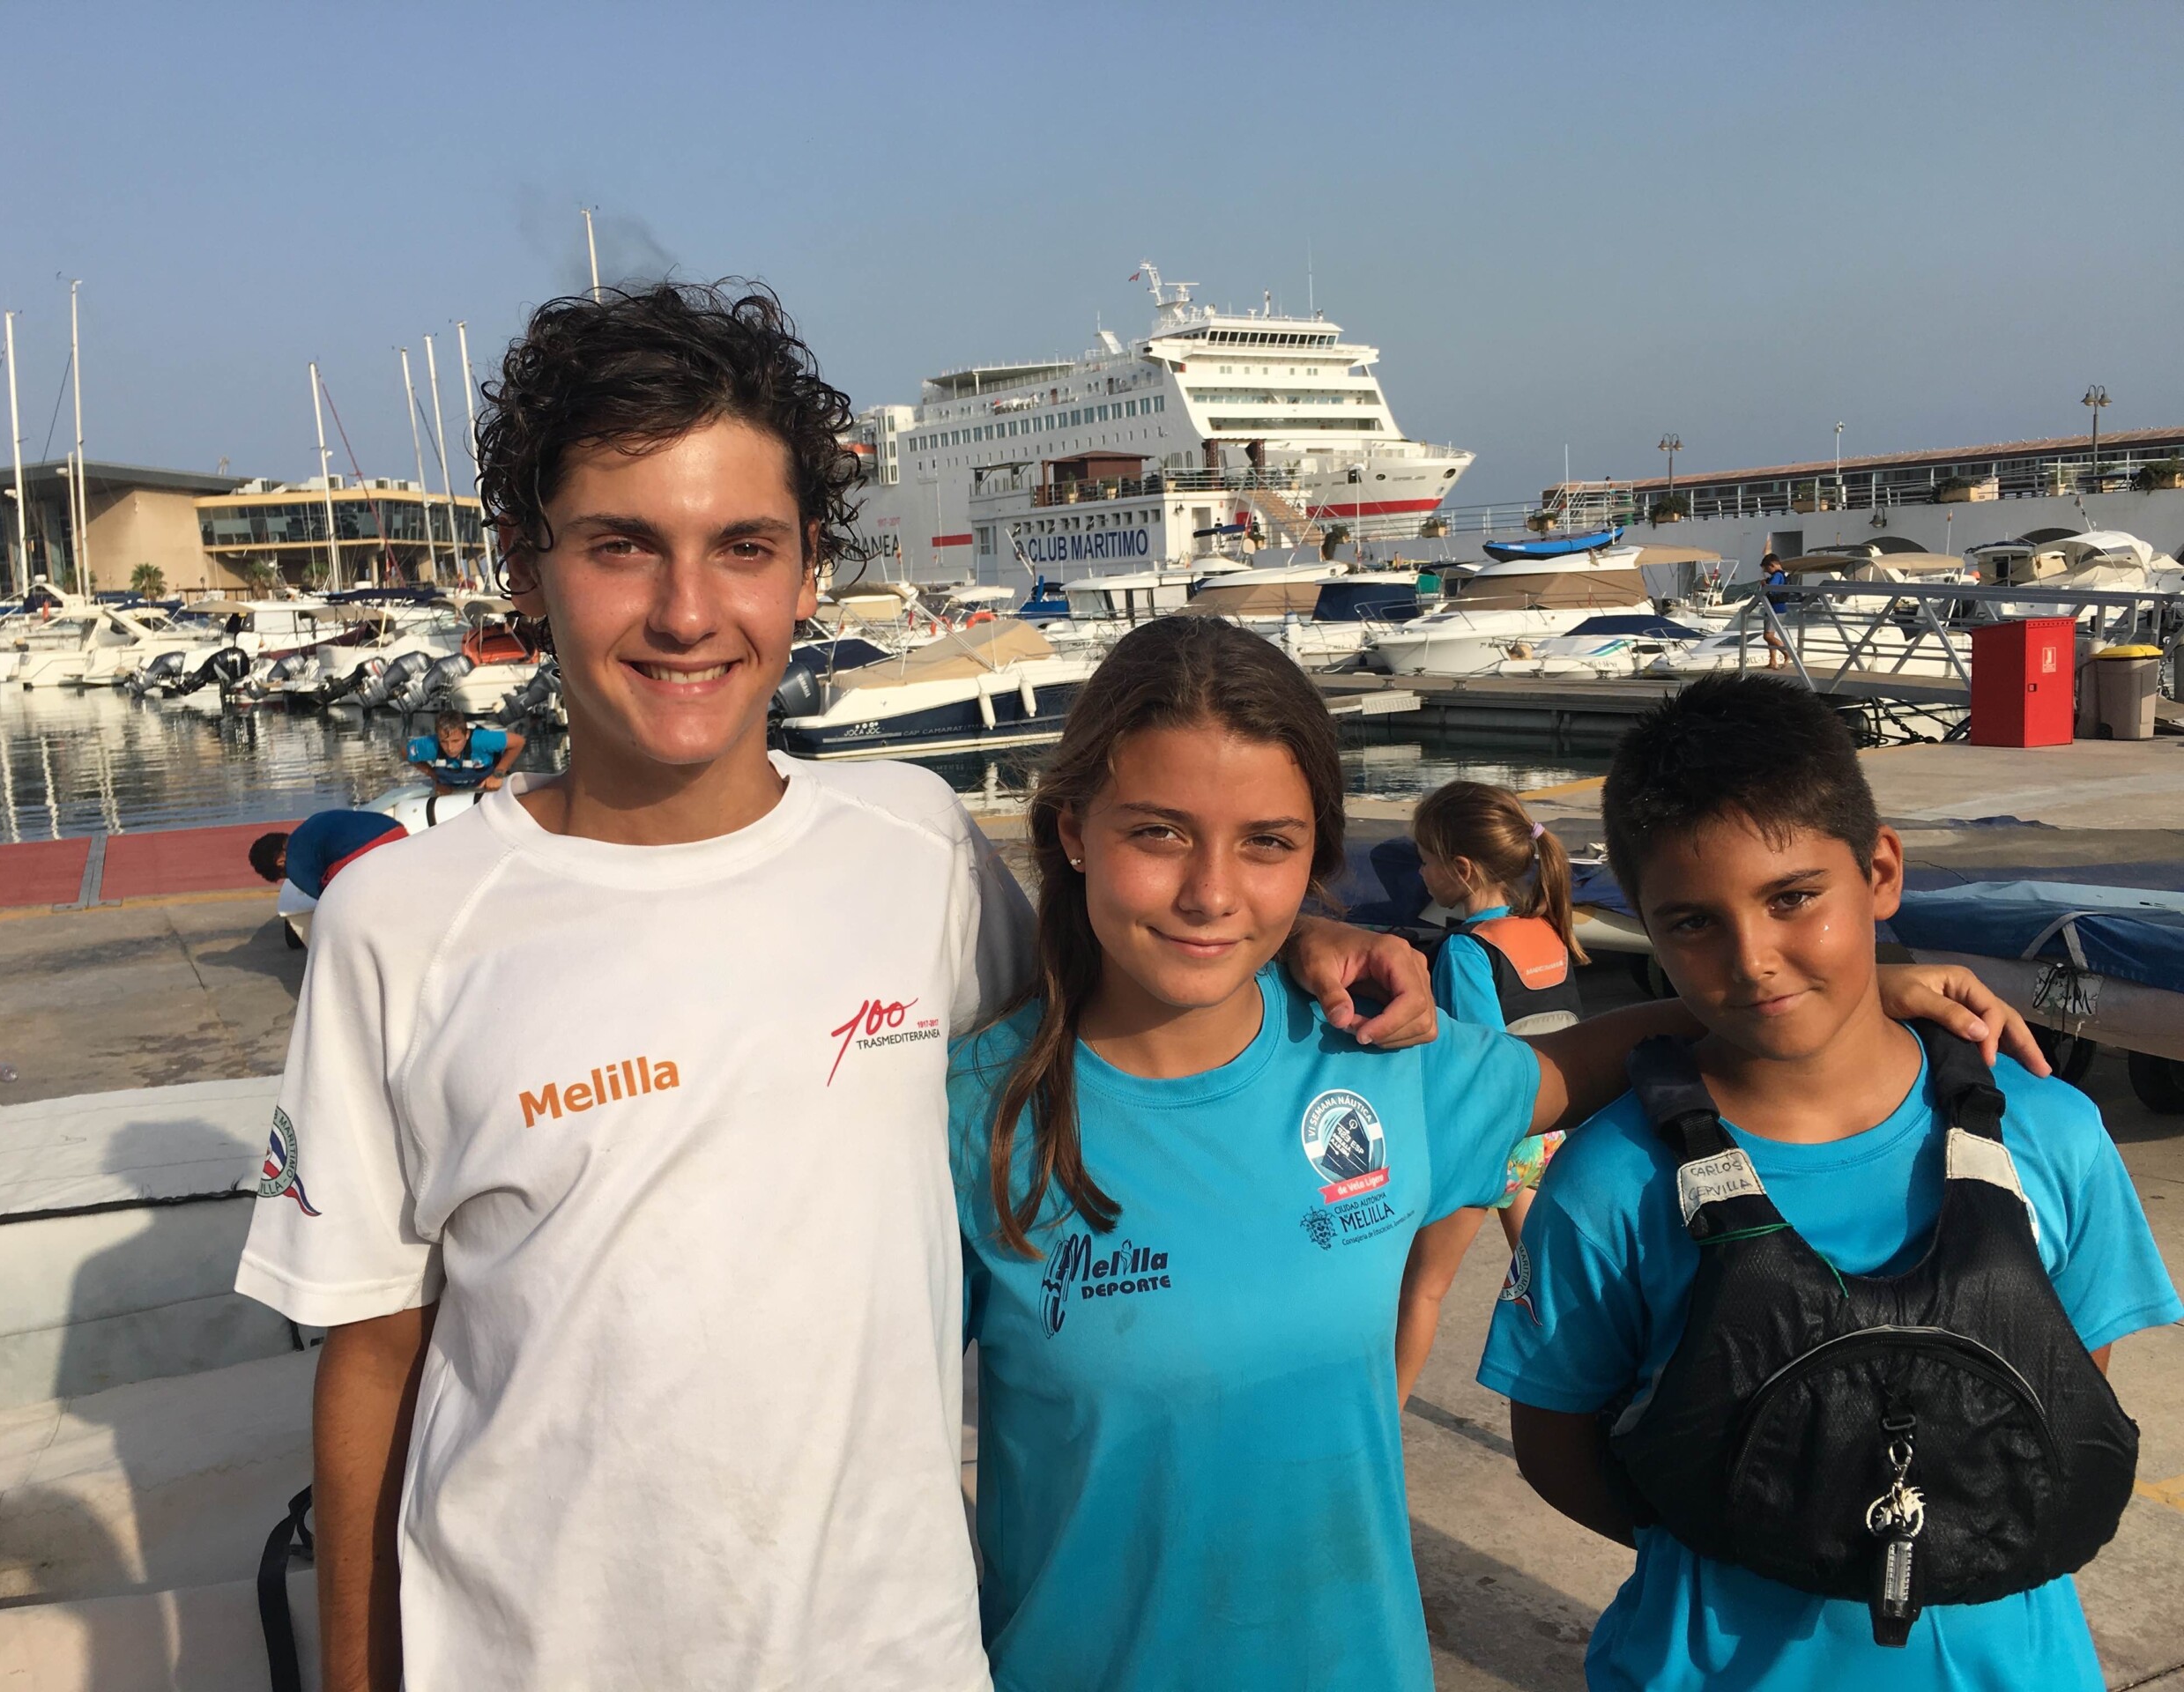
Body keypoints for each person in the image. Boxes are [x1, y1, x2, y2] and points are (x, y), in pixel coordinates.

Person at [232, 280, 1433, 1692]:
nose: (688, 613)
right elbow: (374, 1353)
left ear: (808, 571)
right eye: (622, 545)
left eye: (744, 547)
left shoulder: (912, 848)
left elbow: (1105, 997)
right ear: (526, 567)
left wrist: (1294, 942)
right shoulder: (401, 922)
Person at [946, 618, 2037, 1692]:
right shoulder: (966, 1121)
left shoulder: (1379, 1062)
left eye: (1267, 842)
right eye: (1158, 833)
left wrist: (1844, 997)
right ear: (1072, 829)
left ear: (1315, 856)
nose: (1212, 893)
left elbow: (1574, 1063)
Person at [1478, 672, 2177, 1692]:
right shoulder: (1611, 1182)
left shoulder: (2053, 1136)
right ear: (1644, 925)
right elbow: (1553, 1444)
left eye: (1792, 898)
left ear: (1879, 871)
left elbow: (2062, 1386)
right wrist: (1742, 1539)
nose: (1753, 959)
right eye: (1693, 922)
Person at [1393, 781, 1588, 1399]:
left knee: (1422, 1290)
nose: (1420, 873)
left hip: (1492, 1142)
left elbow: (1478, 1060)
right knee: (1541, 1277)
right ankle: (1582, 1389)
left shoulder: (1466, 949)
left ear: (1461, 869)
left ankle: (1381, 1419)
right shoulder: (1547, 928)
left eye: (1426, 860)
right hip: (1546, 1134)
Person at [249, 809, 406, 900]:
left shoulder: (293, 861)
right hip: (397, 832)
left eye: (285, 875)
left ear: (280, 862)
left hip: (362, 850)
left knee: (332, 894)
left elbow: (326, 900)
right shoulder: (311, 824)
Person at [405, 709, 523, 793]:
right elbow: (406, 752)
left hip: (488, 785)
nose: (450, 748)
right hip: (453, 789)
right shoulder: (430, 745)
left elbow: (519, 742)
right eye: (444, 742)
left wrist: (498, 775)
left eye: (456, 741)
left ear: (467, 735)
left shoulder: (482, 740)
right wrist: (436, 778)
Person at [1758, 552, 1790, 666]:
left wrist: (1764, 584)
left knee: (1767, 636)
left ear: (1772, 565)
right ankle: (1773, 661)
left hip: (1775, 609)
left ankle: (1787, 652)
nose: (1767, 572)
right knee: (1770, 636)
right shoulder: (1784, 575)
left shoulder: (1777, 576)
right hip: (1779, 608)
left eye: (1767, 569)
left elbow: (1770, 589)